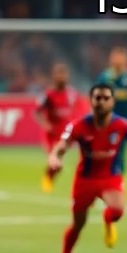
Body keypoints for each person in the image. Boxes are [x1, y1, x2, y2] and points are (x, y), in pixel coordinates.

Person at [48, 83, 127, 253]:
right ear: (91, 101)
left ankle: (107, 221)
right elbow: (61, 146)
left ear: (112, 102)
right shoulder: (79, 126)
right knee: (78, 224)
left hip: (110, 177)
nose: (101, 102)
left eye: (106, 98)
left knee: (117, 211)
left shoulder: (122, 125)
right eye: (97, 98)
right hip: (85, 180)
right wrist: (54, 158)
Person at [96, 47, 127, 174]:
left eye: (120, 58)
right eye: (115, 58)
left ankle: (118, 172)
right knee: (105, 146)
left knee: (120, 146)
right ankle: (107, 171)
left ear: (125, 60)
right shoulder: (104, 77)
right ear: (111, 60)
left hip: (125, 119)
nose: (117, 61)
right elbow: (96, 96)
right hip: (107, 119)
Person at [35, 63, 83, 193]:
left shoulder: (72, 93)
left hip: (66, 135)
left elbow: (79, 110)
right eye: (59, 74)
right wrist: (46, 125)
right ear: (54, 76)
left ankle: (49, 176)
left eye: (64, 74)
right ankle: (48, 179)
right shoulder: (48, 95)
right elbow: (37, 112)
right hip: (51, 135)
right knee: (56, 162)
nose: (62, 77)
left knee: (58, 162)